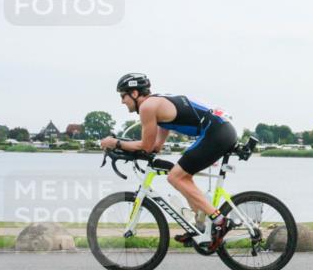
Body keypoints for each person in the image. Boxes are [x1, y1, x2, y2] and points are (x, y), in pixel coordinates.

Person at [101, 73, 238, 250]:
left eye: (123, 96)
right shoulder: (157, 103)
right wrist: (127, 149)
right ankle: (200, 227)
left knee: (176, 177)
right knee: (182, 176)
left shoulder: (147, 107)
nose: (122, 101)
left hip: (216, 132)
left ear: (134, 93)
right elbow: (155, 146)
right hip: (221, 129)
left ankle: (219, 220)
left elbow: (146, 146)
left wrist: (115, 143)